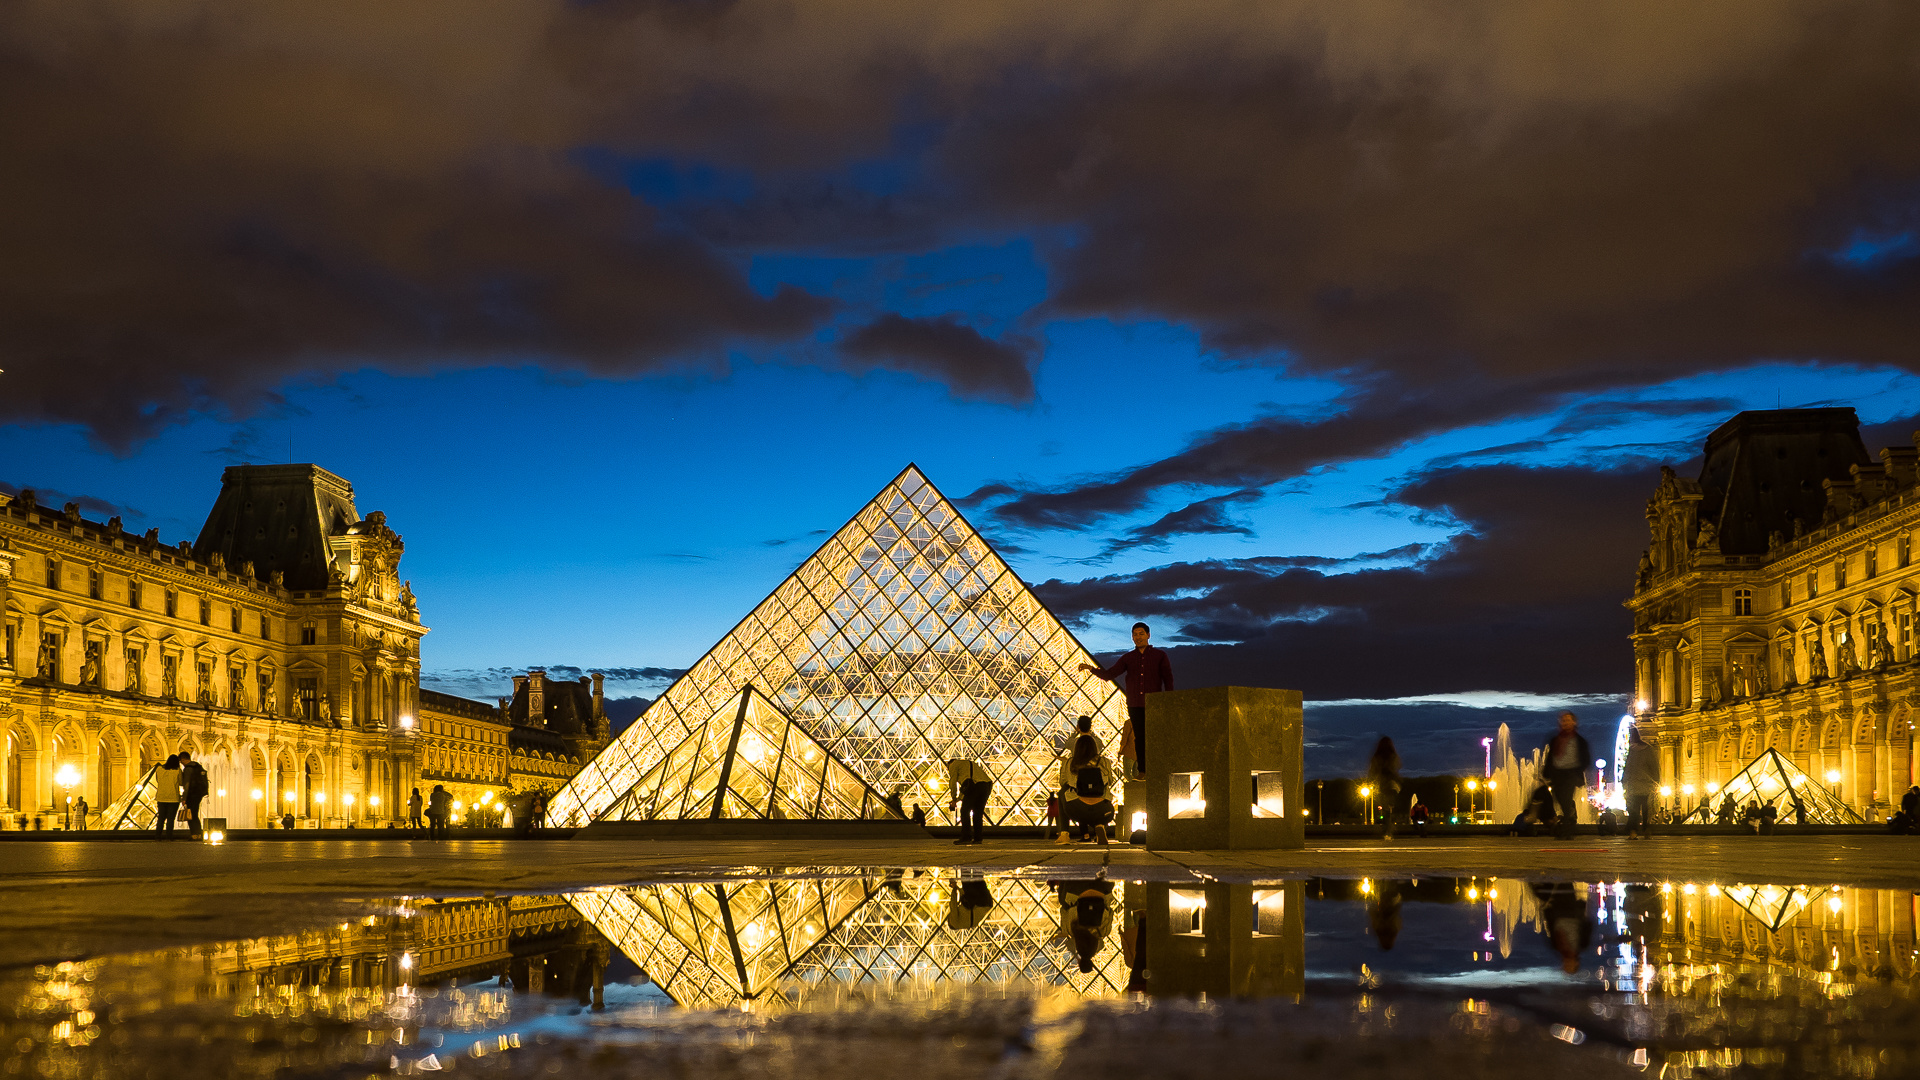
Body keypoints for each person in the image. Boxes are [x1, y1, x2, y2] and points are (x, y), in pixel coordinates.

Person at [1080, 623, 1173, 778]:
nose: (1138, 637)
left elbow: (1168, 678)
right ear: (1132, 637)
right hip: (1135, 703)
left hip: (1154, 702)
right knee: (1140, 738)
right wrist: (1091, 668)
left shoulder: (1160, 655)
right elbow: (1109, 674)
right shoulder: (1128, 658)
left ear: (1148, 635)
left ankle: (1158, 766)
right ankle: (1143, 770)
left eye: (1141, 634)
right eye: (1135, 634)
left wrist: (1169, 699)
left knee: (1155, 736)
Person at [1054, 735, 1115, 847]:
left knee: (1064, 791)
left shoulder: (1070, 762)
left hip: (1077, 810)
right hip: (1104, 810)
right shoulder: (1105, 761)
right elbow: (1110, 781)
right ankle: (1100, 825)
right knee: (1103, 793)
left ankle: (1064, 834)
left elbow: (1062, 782)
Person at [1541, 712, 1592, 840]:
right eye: (1563, 720)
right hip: (1557, 774)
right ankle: (1570, 817)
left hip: (1571, 773)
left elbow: (1585, 758)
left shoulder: (1579, 741)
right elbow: (1550, 757)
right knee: (1559, 798)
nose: (1565, 723)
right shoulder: (1555, 740)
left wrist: (1578, 771)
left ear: (1574, 722)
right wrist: (1546, 773)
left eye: (1568, 720)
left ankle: (1567, 829)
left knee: (1566, 798)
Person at [1053, 875, 1116, 974]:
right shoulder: (1070, 930)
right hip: (1074, 886)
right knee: (1063, 901)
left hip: (1103, 886)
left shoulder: (1104, 931)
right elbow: (1063, 911)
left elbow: (1110, 911)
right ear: (1079, 961)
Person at [1621, 727, 1659, 840]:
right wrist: (1656, 780)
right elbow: (1654, 766)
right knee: (1647, 809)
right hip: (1646, 784)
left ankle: (1633, 832)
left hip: (1633, 785)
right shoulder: (1649, 749)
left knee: (1634, 810)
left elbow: (1627, 768)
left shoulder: (1632, 751)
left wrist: (1624, 782)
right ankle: (1647, 830)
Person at [946, 757, 991, 845]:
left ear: (949, 764)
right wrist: (959, 799)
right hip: (986, 786)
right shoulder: (971, 763)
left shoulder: (954, 765)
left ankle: (966, 837)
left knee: (965, 811)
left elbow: (953, 782)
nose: (949, 770)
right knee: (978, 813)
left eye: (948, 769)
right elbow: (967, 788)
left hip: (974, 786)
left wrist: (954, 798)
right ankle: (978, 838)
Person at [1366, 737, 1401, 840]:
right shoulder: (1392, 754)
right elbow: (1397, 765)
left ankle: (1387, 830)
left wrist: (1372, 779)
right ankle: (1389, 829)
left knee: (1385, 808)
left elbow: (1373, 770)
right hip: (1392, 783)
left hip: (1382, 783)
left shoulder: (1377, 755)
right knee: (1390, 807)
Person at [178, 750, 209, 839]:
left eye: (181, 761)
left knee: (191, 815)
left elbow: (186, 785)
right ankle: (199, 834)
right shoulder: (197, 766)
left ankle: (194, 835)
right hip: (199, 794)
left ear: (183, 759)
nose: (181, 763)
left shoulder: (188, 769)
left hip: (191, 794)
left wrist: (184, 798)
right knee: (194, 814)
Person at [155, 754, 182, 838]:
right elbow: (181, 782)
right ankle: (169, 836)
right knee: (170, 819)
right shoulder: (177, 770)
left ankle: (158, 836)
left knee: (161, 818)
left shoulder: (159, 769)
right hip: (173, 798)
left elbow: (157, 780)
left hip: (161, 797)